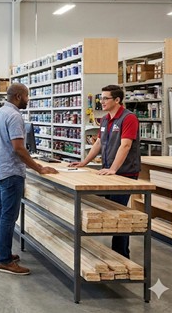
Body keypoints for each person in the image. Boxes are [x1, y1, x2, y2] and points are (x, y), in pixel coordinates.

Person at [0, 83, 58, 276]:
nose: (29, 100)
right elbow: (18, 148)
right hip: (11, 172)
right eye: (27, 96)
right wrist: (39, 167)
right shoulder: (15, 116)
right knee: (9, 217)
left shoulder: (0, 112)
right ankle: (4, 261)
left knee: (1, 213)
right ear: (19, 96)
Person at [69, 84, 141, 258]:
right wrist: (84, 162)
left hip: (124, 173)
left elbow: (126, 145)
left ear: (117, 100)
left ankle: (122, 255)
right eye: (100, 98)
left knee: (119, 215)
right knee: (109, 212)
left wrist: (113, 169)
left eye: (105, 98)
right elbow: (99, 144)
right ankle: (112, 253)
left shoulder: (128, 118)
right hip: (109, 172)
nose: (101, 102)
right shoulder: (105, 119)